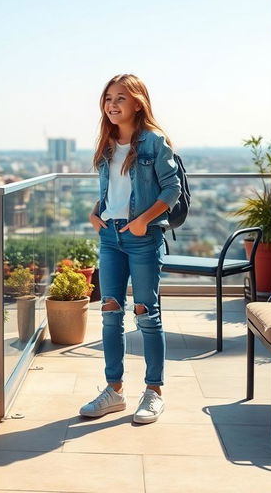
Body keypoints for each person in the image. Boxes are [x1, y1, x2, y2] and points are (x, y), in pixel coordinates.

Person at [79, 74, 181, 424]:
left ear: (138, 102)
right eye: (108, 98)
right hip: (110, 237)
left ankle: (154, 392)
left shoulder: (154, 142)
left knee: (146, 315)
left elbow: (171, 191)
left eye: (120, 98)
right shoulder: (107, 144)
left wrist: (142, 222)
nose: (112, 105)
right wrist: (96, 211)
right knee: (109, 314)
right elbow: (115, 190)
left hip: (143, 238)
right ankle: (114, 391)